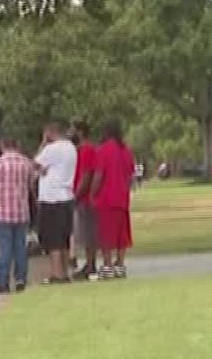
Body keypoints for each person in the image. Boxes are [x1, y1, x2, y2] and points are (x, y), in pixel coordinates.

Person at [0, 137, 37, 295]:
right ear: (17, 145)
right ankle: (20, 279)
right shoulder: (27, 163)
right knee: (20, 247)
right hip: (22, 212)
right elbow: (32, 184)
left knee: (5, 248)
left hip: (2, 212)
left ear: (2, 146)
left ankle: (3, 282)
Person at [33, 121, 78, 284]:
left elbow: (35, 163)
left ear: (50, 133)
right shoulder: (71, 147)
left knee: (52, 239)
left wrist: (43, 144)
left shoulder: (51, 149)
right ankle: (65, 272)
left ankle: (56, 273)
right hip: (67, 195)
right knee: (64, 237)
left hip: (51, 198)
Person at [93, 122, 137, 279]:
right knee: (121, 233)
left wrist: (93, 193)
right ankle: (120, 264)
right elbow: (131, 175)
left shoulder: (103, 150)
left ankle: (107, 265)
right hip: (122, 197)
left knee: (106, 234)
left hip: (106, 197)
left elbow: (99, 175)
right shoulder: (126, 150)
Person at [71, 121, 100, 280]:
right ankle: (89, 264)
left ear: (80, 132)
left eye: (72, 130)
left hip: (86, 198)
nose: (70, 133)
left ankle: (90, 265)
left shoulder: (86, 149)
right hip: (84, 197)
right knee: (86, 233)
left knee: (88, 232)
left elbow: (87, 174)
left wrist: (77, 195)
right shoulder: (80, 150)